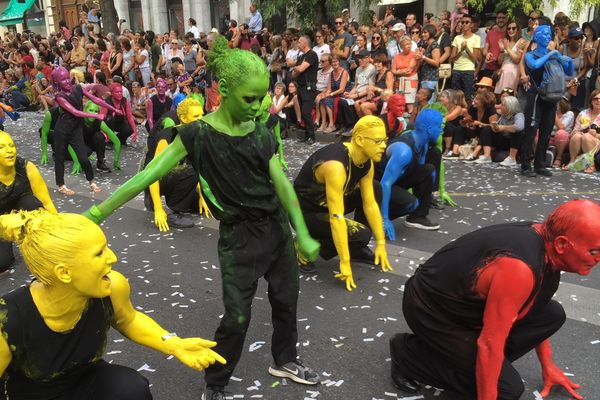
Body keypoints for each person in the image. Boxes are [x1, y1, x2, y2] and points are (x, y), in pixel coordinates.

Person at [81, 36, 321, 400]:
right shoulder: (197, 134)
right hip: (238, 239)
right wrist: (99, 211)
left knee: (287, 301)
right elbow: (148, 175)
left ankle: (284, 359)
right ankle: (216, 382)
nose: (259, 108)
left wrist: (300, 231)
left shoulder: (259, 132)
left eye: (262, 98)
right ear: (223, 90)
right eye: (250, 99)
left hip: (275, 231)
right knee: (237, 317)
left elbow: (283, 187)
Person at [0, 209, 226, 398]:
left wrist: (174, 344)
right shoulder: (8, 321)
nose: (113, 257)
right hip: (31, 394)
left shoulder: (112, 286)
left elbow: (128, 318)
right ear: (64, 272)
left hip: (86, 378)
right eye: (99, 253)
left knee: (131, 389)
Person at [389, 199, 600, 400]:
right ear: (562, 244)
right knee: (505, 390)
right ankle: (408, 354)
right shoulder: (518, 268)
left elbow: (535, 303)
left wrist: (548, 365)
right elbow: (490, 344)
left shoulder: (548, 245)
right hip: (430, 309)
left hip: (466, 307)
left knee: (553, 314)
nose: (598, 259)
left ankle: (466, 365)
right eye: (594, 251)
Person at [294, 115, 392, 291]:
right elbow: (336, 217)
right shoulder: (336, 167)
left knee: (375, 188)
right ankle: (302, 245)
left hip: (328, 202)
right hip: (305, 213)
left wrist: (381, 243)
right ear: (360, 140)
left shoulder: (366, 162)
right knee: (360, 234)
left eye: (384, 140)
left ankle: (356, 247)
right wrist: (344, 262)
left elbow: (370, 204)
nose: (384, 146)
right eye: (378, 141)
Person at [50, 66, 121, 196]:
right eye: (62, 80)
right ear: (57, 82)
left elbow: (96, 99)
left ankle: (92, 181)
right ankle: (61, 185)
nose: (66, 81)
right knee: (59, 158)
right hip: (62, 129)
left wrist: (113, 108)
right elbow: (75, 112)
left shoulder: (77, 88)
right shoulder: (59, 97)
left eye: (67, 78)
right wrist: (96, 116)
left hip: (76, 129)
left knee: (83, 157)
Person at [145, 97, 211, 231]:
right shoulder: (167, 137)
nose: (201, 120)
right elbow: (153, 173)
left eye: (202, 115)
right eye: (196, 116)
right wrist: (158, 208)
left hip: (176, 175)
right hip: (154, 180)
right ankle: (173, 212)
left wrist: (203, 197)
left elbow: (199, 166)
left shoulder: (196, 135)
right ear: (183, 118)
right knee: (191, 171)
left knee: (198, 204)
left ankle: (176, 200)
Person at [377, 109, 443, 240]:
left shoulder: (423, 144)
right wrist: (384, 219)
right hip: (377, 184)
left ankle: (417, 217)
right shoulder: (403, 150)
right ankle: (372, 219)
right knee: (411, 203)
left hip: (396, 181)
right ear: (429, 128)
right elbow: (385, 183)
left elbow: (418, 171)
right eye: (439, 127)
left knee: (428, 170)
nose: (441, 130)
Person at [521, 23, 574, 177]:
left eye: (548, 34)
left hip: (551, 98)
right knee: (531, 131)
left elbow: (569, 72)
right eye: (543, 34)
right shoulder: (531, 54)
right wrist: (551, 55)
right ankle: (525, 164)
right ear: (536, 37)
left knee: (546, 132)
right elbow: (534, 65)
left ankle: (540, 164)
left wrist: (567, 60)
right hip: (536, 96)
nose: (546, 36)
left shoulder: (554, 54)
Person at [0, 131, 56, 272]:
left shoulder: (26, 167)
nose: (9, 151)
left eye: (11, 145)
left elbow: (46, 202)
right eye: (2, 147)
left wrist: (58, 229)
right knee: (3, 263)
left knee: (32, 203)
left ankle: (37, 243)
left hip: (21, 206)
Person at [292, 35, 319, 144]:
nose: (297, 44)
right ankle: (307, 135)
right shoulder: (301, 57)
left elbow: (301, 68)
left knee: (306, 112)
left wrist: (293, 65)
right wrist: (296, 68)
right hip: (301, 87)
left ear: (304, 43)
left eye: (299, 42)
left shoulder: (312, 55)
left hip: (309, 87)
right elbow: (294, 74)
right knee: (303, 112)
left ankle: (311, 136)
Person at [450, 14, 480, 102]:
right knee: (455, 97)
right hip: (456, 69)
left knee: (467, 96)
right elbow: (453, 58)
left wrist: (466, 49)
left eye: (467, 22)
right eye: (462, 22)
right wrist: (461, 50)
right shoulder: (457, 38)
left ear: (471, 24)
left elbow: (475, 59)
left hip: (468, 70)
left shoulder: (476, 38)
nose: (464, 24)